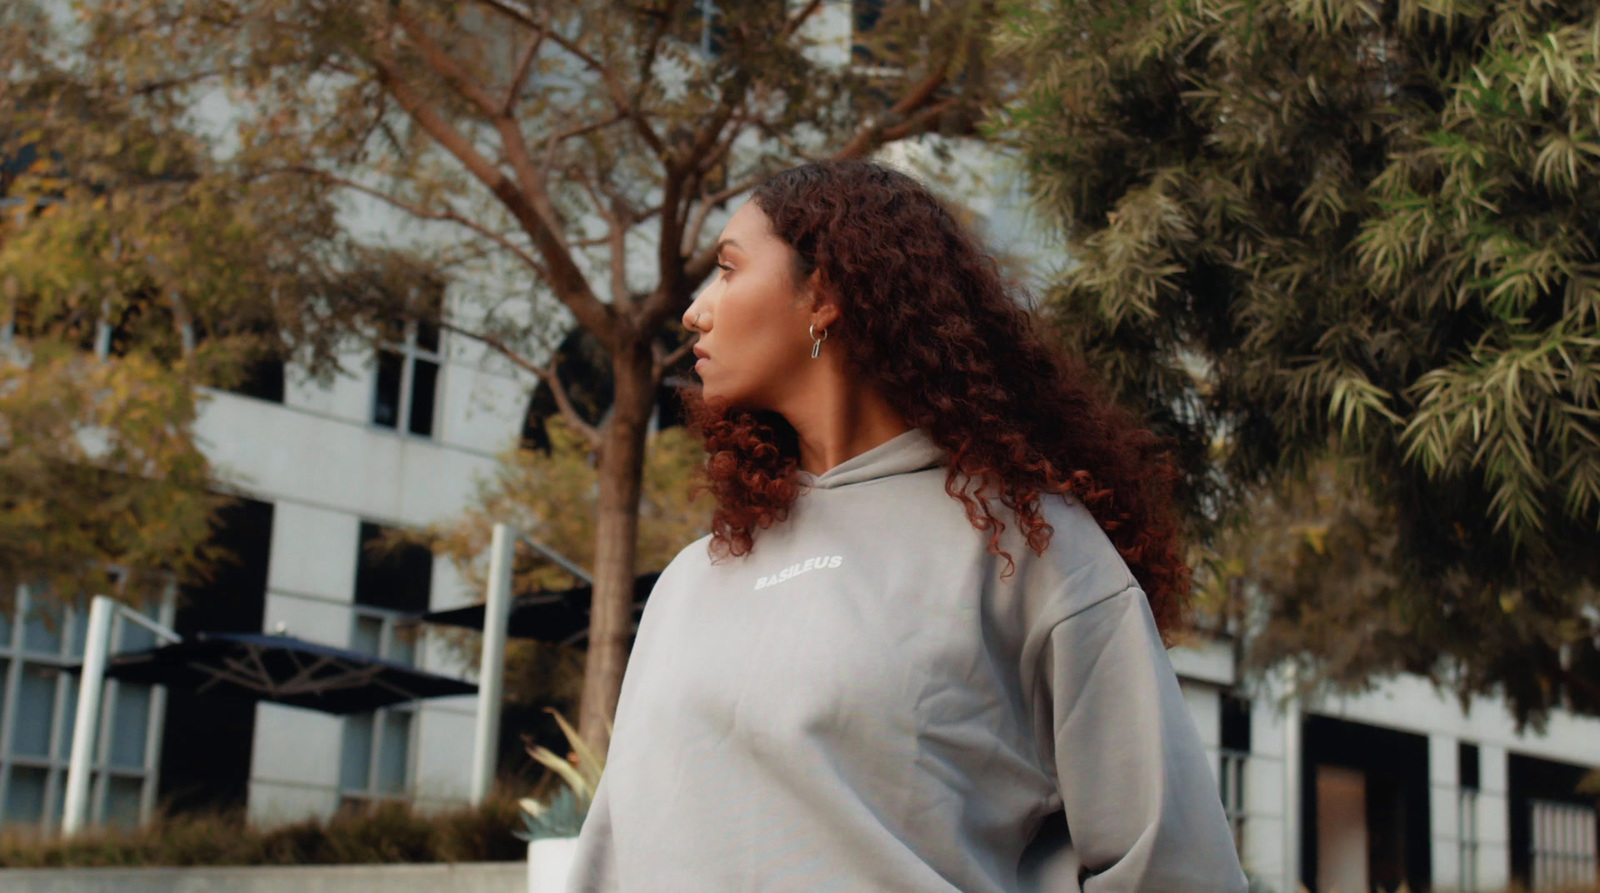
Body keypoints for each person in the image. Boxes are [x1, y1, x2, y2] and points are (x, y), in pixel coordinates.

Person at [564, 160, 1248, 892]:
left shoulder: (1029, 544)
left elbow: (1172, 866)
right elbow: (613, 849)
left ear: (823, 294)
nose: (695, 311)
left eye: (727, 271)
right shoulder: (691, 580)